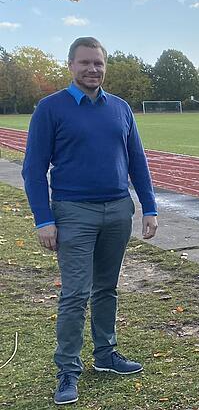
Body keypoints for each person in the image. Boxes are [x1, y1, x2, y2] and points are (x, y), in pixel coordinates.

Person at [22, 37, 159, 405]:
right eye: (84, 63)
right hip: (73, 213)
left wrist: (149, 207)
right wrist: (43, 219)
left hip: (117, 210)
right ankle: (68, 369)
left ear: (104, 66)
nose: (92, 69)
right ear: (70, 65)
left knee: (106, 288)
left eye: (98, 63)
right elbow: (33, 170)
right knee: (75, 293)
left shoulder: (120, 108)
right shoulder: (51, 108)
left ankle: (105, 355)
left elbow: (137, 162)